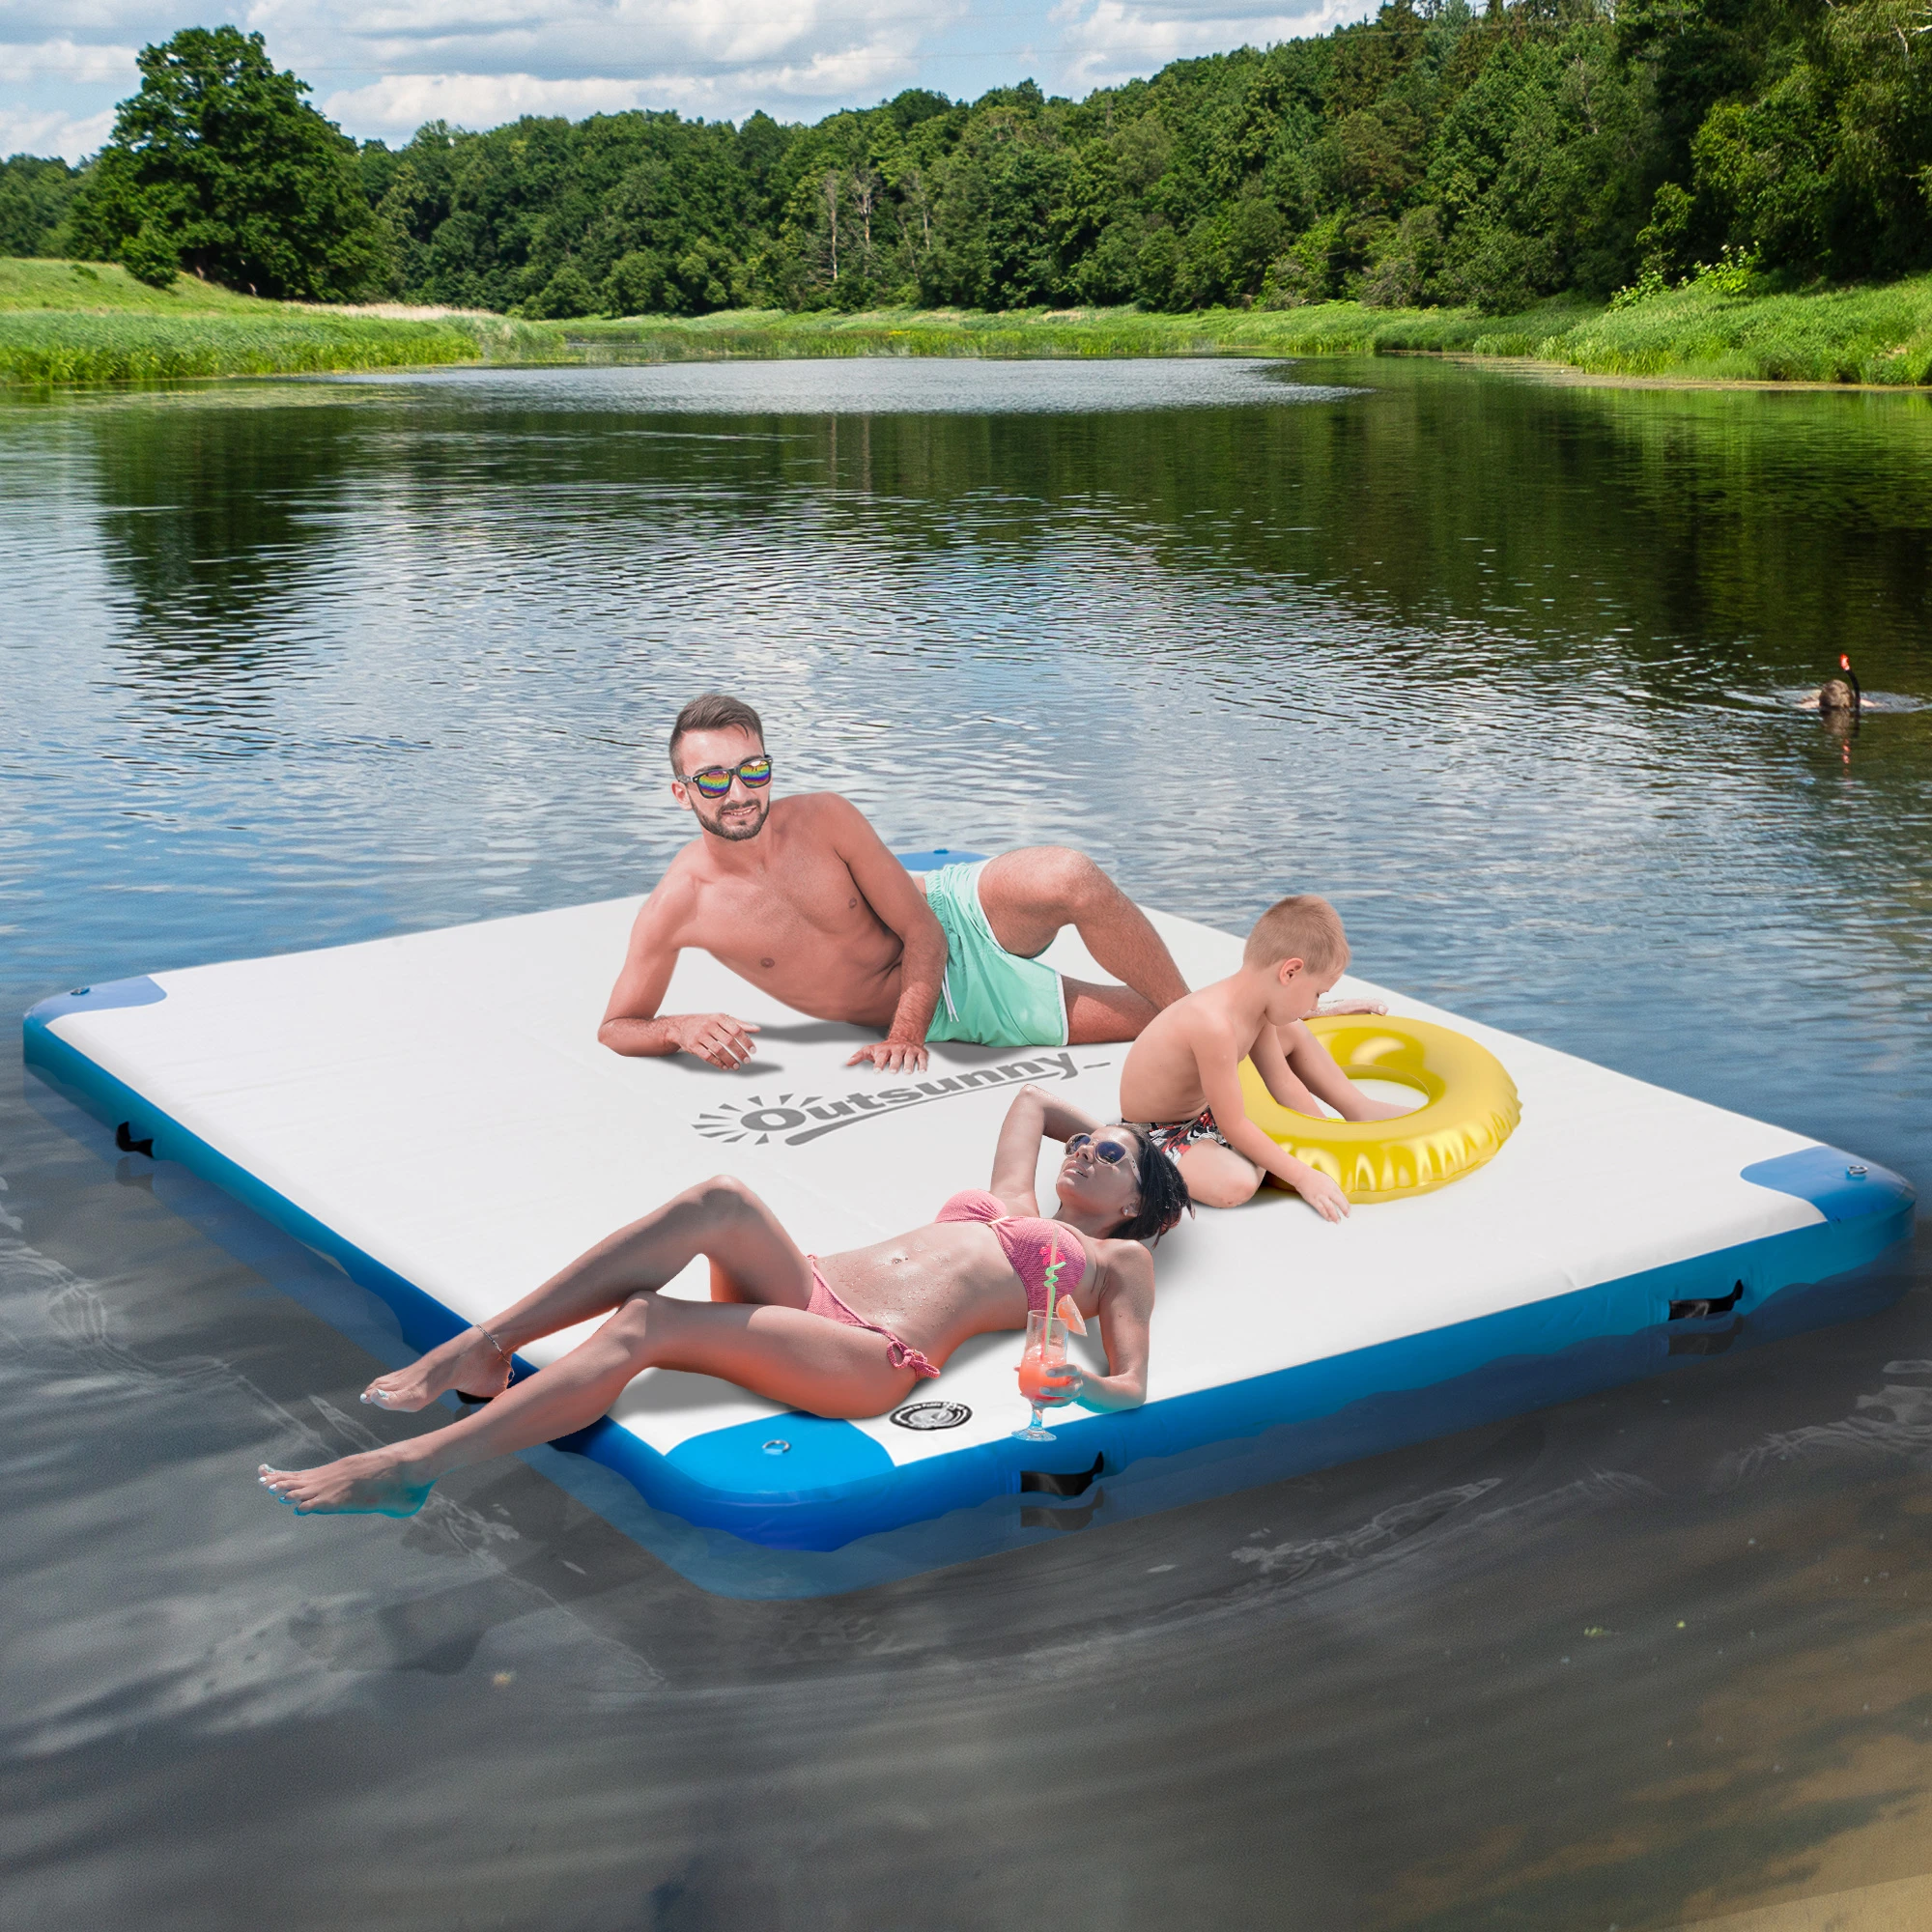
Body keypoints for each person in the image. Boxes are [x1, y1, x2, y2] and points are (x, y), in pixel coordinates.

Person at [256, 1086, 1192, 1518]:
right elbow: (1031, 1100)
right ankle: (484, 1344)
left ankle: (414, 1461)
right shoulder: (1019, 1201)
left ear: (1134, 1202)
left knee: (646, 1323)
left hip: (869, 1350)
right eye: (1088, 1143)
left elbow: (1132, 1383)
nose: (1083, 1151)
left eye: (1107, 1156)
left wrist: (1080, 1380)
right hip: (812, 1287)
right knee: (721, 1197)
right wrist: (1118, 1129)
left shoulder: (1113, 1261)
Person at [598, 693, 1191, 1074]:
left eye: (753, 769)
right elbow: (616, 1026)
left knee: (1071, 873)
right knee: (1151, 1019)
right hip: (952, 1005)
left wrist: (902, 1035)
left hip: (946, 910)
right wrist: (679, 1028)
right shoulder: (679, 905)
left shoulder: (826, 817)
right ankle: (1227, 1019)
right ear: (681, 794)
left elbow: (923, 928)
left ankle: (1205, 1022)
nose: (739, 793)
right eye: (713, 779)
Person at [1118, 894, 1412, 1218]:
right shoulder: (1213, 1024)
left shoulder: (1259, 1009)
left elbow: (1282, 1082)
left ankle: (1359, 1109)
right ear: (1290, 972)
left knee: (1292, 1027)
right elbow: (1233, 1126)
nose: (1315, 1004)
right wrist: (1304, 1176)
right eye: (1317, 993)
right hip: (1159, 1132)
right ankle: (1142, 1161)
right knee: (1237, 1185)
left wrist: (1329, 1137)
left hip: (1207, 1115)